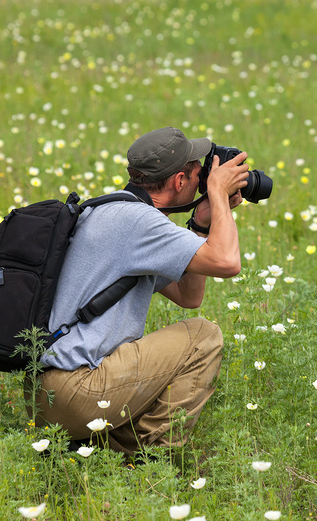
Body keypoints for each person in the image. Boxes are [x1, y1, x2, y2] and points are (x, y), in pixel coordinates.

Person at [32, 126, 248, 455]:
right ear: (179, 181)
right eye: (197, 174)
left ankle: (95, 452)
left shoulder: (110, 211)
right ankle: (147, 461)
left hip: (47, 394)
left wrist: (202, 224)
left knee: (194, 333)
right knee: (203, 337)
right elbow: (228, 262)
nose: (202, 180)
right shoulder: (140, 223)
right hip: (78, 389)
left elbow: (189, 297)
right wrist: (218, 195)